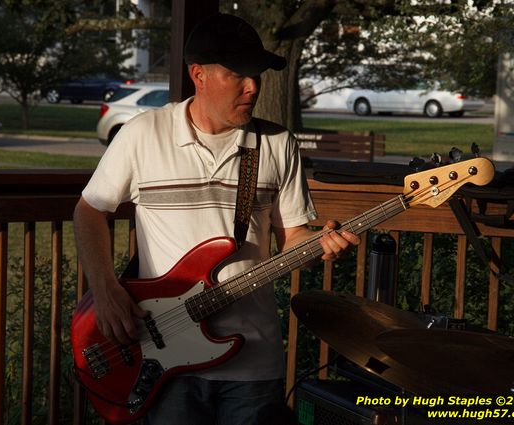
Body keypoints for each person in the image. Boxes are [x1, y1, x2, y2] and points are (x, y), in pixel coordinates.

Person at [73, 12, 359, 425]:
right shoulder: (143, 134)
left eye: (257, 75)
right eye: (238, 74)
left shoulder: (277, 143)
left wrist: (320, 246)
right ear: (198, 75)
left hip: (253, 360)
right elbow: (89, 210)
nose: (252, 86)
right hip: (162, 355)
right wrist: (104, 290)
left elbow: (293, 237)